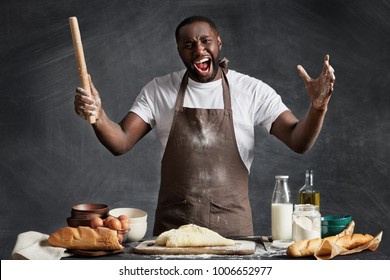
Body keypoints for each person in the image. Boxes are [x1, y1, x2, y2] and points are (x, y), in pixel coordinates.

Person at [74, 16, 335, 237]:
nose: (198, 50)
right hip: (172, 235)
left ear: (218, 43)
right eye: (188, 45)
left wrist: (318, 107)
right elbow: (120, 142)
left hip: (233, 235)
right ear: (179, 50)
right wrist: (98, 116)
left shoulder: (251, 90)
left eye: (205, 41)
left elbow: (298, 140)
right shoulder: (158, 91)